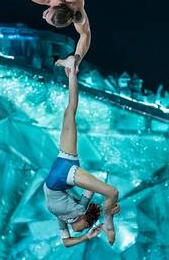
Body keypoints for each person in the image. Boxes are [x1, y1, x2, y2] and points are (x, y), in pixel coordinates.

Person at [44, 55, 120, 247]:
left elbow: (66, 242)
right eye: (86, 227)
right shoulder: (80, 209)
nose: (83, 230)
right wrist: (109, 209)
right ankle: (109, 225)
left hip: (61, 167)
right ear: (86, 219)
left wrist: (86, 238)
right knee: (112, 193)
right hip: (65, 169)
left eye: (84, 230)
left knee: (69, 111)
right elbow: (89, 190)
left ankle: (70, 69)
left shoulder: (62, 218)